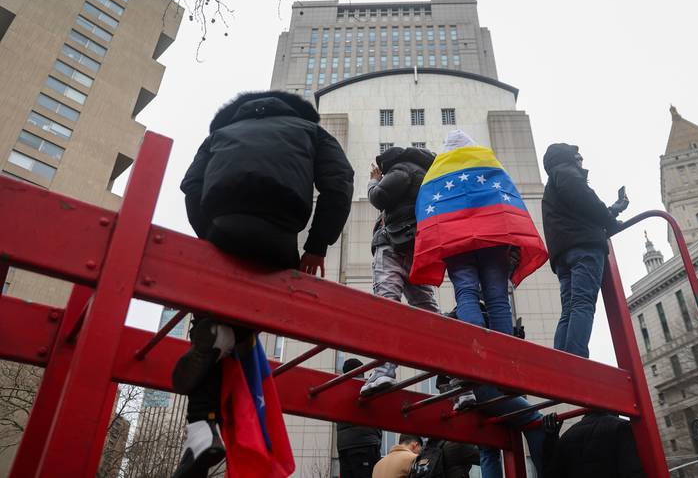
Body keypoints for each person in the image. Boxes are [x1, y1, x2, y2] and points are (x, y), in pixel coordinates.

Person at [171, 90, 354, 478]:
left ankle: (201, 425)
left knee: (212, 320)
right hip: (278, 238)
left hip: (222, 226)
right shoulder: (311, 131)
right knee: (242, 328)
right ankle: (220, 365)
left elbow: (190, 186)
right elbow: (339, 185)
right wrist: (317, 247)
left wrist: (208, 236)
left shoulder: (221, 134)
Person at [409, 129, 550, 477]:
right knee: (497, 296)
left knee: (466, 294)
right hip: (494, 235)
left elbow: (426, 210)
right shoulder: (488, 164)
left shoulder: (437, 171)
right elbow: (509, 199)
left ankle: (476, 351)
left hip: (454, 238)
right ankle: (503, 352)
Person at [361, 146, 439, 396]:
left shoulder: (401, 169)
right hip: (416, 247)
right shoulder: (428, 175)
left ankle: (384, 369)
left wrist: (374, 181)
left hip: (393, 245)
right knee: (428, 310)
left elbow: (379, 197)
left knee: (387, 303)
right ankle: (452, 379)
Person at [541, 143, 628, 358]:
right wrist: (610, 220)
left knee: (569, 307)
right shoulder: (567, 173)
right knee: (583, 303)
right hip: (585, 248)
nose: (581, 161)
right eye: (577, 156)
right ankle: (577, 359)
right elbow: (587, 202)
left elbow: (578, 210)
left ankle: (562, 361)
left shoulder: (554, 183)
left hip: (564, 253)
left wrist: (612, 211)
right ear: (567, 158)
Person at [544, 411, 645, 477]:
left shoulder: (567, 435)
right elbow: (633, 472)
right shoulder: (621, 427)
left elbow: (553, 474)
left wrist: (550, 439)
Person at [337, 359, 383, 478]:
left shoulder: (339, 389)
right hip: (364, 443)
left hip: (343, 446)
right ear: (361, 371)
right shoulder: (367, 387)